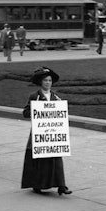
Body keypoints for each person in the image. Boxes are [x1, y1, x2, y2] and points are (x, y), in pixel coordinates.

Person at [21, 66, 72, 196]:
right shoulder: (34, 96)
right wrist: (35, 109)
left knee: (56, 157)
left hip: (53, 133)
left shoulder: (57, 98)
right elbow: (25, 113)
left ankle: (61, 185)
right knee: (39, 158)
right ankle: (37, 184)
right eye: (45, 80)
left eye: (49, 80)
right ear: (41, 82)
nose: (48, 83)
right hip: (39, 133)